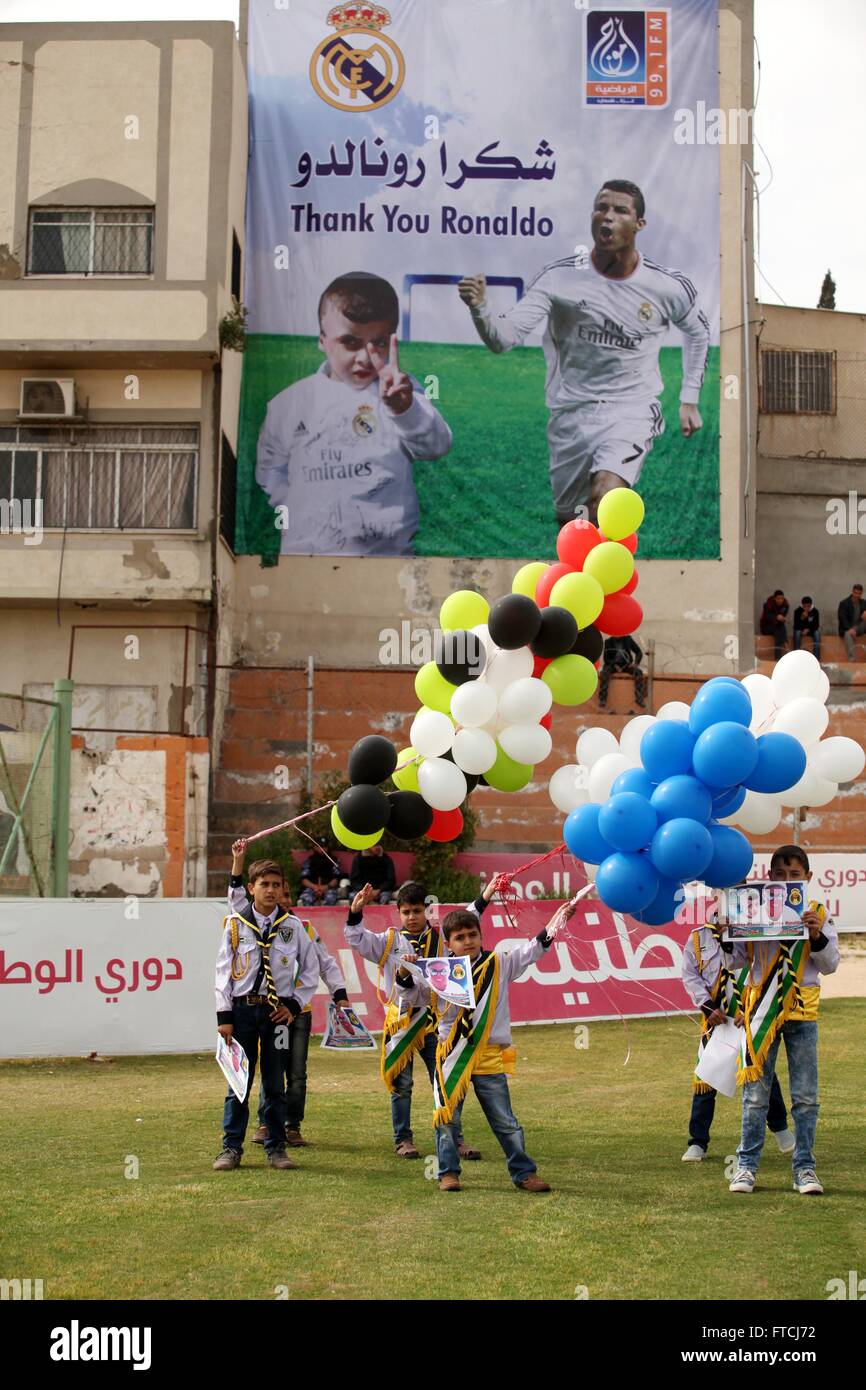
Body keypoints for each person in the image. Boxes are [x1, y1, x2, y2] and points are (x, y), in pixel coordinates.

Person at [458, 179, 710, 527]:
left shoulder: (666, 286)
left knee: (606, 496)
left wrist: (689, 398)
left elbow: (698, 331)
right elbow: (504, 339)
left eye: (620, 210)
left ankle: (612, 574)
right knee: (573, 526)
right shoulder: (558, 278)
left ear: (640, 224)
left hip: (631, 410)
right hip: (570, 414)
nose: (607, 217)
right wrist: (480, 308)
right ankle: (579, 580)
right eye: (601, 208)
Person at [256, 271, 452, 556]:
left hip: (387, 560)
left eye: (380, 342)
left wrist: (404, 409)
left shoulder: (400, 392)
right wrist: (298, 506)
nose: (365, 357)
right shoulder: (289, 404)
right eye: (350, 342)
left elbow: (437, 445)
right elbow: (270, 470)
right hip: (307, 559)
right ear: (323, 340)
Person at [395, 900, 576, 1193]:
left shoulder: (499, 963)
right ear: (449, 943)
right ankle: (448, 1173)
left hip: (489, 1054)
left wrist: (559, 920)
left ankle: (523, 1172)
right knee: (447, 1120)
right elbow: (412, 996)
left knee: (505, 1121)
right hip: (451, 1055)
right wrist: (404, 973)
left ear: (480, 936)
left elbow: (533, 949)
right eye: (460, 937)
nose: (468, 941)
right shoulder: (438, 971)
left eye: (472, 935)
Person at [344, 878, 495, 1159]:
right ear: (398, 913)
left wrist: (485, 896)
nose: (412, 917)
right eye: (406, 912)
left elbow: (469, 916)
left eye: (417, 910)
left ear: (427, 910)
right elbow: (356, 939)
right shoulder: (389, 941)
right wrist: (356, 912)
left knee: (445, 1082)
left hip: (435, 1022)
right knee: (402, 1086)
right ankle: (403, 1139)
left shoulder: (442, 938)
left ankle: (455, 1140)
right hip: (401, 1022)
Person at [727, 844, 839, 1196]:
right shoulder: (754, 909)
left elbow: (830, 964)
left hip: (802, 1012)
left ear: (807, 878)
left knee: (806, 1096)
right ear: (769, 877)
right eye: (780, 875)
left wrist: (816, 934)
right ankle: (746, 1167)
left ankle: (804, 1167)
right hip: (761, 1010)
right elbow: (735, 963)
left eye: (795, 875)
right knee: (755, 1095)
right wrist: (730, 931)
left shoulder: (818, 912)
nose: (787, 880)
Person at [224, 859, 352, 1149]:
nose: (279, 896)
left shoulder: (301, 928)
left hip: (298, 1012)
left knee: (293, 1071)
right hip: (258, 1009)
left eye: (282, 891)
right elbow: (235, 900)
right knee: (263, 1069)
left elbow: (323, 964)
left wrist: (339, 992)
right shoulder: (245, 923)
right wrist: (237, 864)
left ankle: (291, 1126)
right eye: (270, 888)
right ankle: (262, 1124)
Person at [214, 854, 319, 1171]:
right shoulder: (236, 925)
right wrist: (225, 1017)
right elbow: (222, 972)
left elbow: (310, 971)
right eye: (264, 884)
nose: (271, 891)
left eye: (276, 885)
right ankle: (231, 1148)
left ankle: (276, 1148)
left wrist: (293, 1006)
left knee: (275, 1084)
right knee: (238, 1084)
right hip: (244, 1013)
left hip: (278, 1017)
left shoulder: (293, 926)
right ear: (251, 887)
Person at [681, 913, 793, 1162]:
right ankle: (697, 1141)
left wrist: (752, 1008)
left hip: (750, 1016)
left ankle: (780, 1128)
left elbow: (763, 971)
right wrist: (707, 1007)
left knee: (761, 1072)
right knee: (706, 1075)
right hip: (717, 1018)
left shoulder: (755, 933)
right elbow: (690, 975)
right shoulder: (699, 937)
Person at [598, 634, 645, 710]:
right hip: (612, 665)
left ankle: (639, 698)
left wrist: (635, 664)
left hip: (626, 665)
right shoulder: (608, 642)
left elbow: (638, 652)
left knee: (638, 672)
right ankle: (602, 699)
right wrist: (615, 666)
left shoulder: (628, 639)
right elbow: (606, 659)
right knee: (604, 673)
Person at [298, 843, 340, 908]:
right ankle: (310, 916)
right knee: (306, 897)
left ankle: (327, 917)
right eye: (320, 846)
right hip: (312, 887)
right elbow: (304, 879)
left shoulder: (333, 860)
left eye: (324, 846)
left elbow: (336, 878)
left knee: (331, 897)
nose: (322, 849)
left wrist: (325, 887)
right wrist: (315, 887)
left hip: (328, 888)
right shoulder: (309, 860)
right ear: (315, 847)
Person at [837, 582, 866, 662]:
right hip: (847, 629)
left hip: (859, 628)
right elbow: (842, 618)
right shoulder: (844, 603)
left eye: (859, 593)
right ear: (852, 592)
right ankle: (851, 659)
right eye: (855, 593)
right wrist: (849, 628)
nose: (857, 595)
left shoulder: (864, 603)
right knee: (848, 635)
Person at [759, 589, 789, 661]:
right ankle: (785, 645)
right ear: (774, 598)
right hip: (766, 627)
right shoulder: (767, 605)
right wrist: (776, 617)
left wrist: (782, 619)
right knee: (778, 630)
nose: (780, 600)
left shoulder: (785, 605)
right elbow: (767, 617)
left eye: (782, 598)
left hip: (778, 627)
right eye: (778, 598)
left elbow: (782, 618)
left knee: (779, 629)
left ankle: (778, 656)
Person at [792, 596, 821, 663]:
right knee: (797, 632)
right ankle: (797, 654)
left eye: (808, 606)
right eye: (805, 606)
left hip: (811, 630)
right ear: (802, 605)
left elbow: (816, 625)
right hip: (800, 630)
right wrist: (802, 618)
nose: (806, 608)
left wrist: (809, 629)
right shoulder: (797, 611)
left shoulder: (815, 611)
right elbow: (796, 626)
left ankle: (816, 657)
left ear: (811, 605)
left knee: (817, 633)